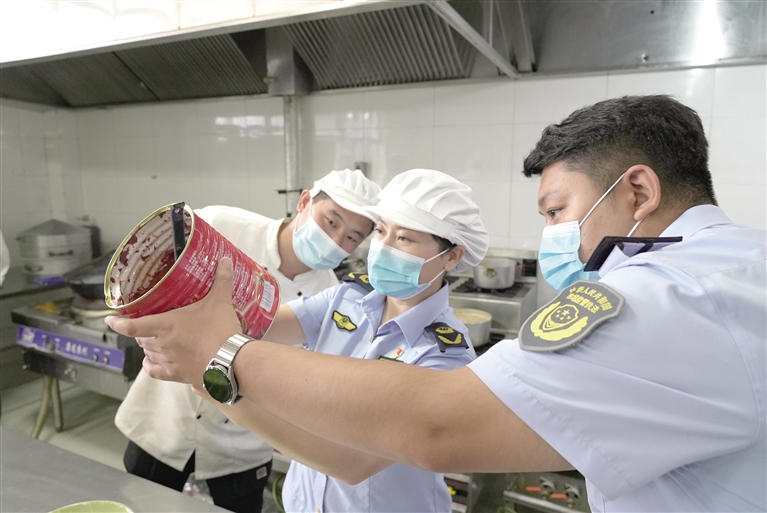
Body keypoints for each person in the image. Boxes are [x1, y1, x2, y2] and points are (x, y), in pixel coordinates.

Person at [108, 96, 766, 512]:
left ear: (638, 191)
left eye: (557, 211)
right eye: (379, 233)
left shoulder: (662, 296)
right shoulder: (736, 267)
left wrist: (215, 363)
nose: (378, 249)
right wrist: (188, 303)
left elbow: (422, 429)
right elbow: (258, 326)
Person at [114, 169, 380, 512]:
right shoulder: (220, 227)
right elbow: (147, 274)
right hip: (166, 419)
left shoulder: (330, 294)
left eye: (352, 237)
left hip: (241, 442)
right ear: (303, 201)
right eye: (331, 222)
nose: (335, 240)